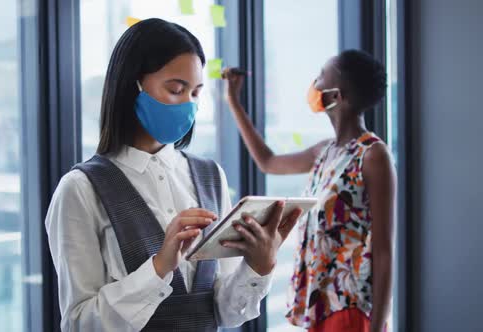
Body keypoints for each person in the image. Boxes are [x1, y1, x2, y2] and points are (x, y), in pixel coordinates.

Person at [45, 18, 302, 331]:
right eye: (176, 89)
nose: (188, 105)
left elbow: (224, 313)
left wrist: (258, 267)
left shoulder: (210, 176)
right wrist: (159, 267)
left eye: (195, 93)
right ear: (132, 84)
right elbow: (78, 323)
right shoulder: (81, 189)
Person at [222, 49, 396, 332]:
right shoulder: (325, 151)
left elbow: (384, 250)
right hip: (319, 306)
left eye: (320, 77)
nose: (313, 84)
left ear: (335, 96)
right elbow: (268, 162)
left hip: (349, 307)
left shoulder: (373, 155)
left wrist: (377, 328)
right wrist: (233, 102)